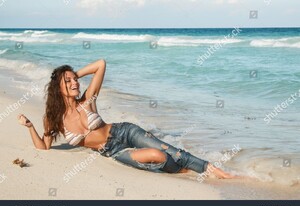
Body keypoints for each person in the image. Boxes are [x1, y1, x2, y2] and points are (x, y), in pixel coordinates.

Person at [18, 59, 236, 179]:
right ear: (58, 87)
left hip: (124, 131)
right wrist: (30, 127)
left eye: (75, 79)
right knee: (157, 156)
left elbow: (100, 64)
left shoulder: (87, 100)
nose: (75, 83)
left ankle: (217, 172)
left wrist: (73, 74)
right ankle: (186, 170)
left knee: (174, 151)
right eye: (69, 81)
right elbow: (44, 147)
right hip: (114, 151)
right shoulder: (53, 119)